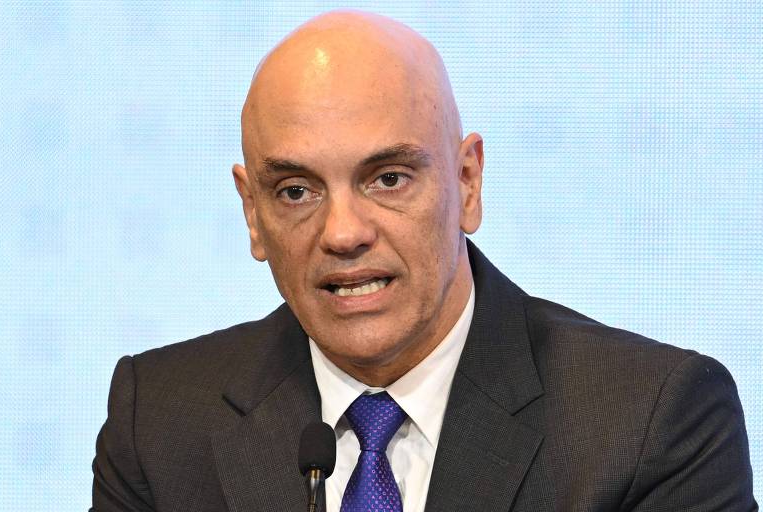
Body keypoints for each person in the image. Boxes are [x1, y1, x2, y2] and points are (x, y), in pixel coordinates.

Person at [91, 10, 757, 512]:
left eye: (388, 179)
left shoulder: (649, 422)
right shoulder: (160, 423)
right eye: (296, 191)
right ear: (252, 213)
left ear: (467, 183)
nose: (343, 233)